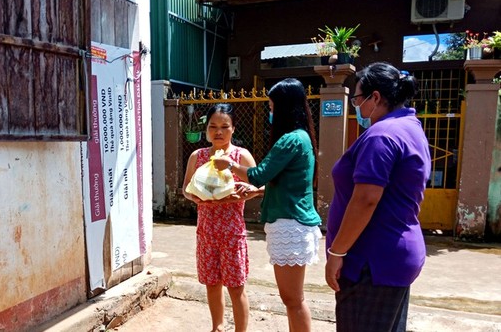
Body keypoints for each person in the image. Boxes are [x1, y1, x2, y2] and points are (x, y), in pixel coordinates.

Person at [324, 62, 431, 332]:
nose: (357, 107)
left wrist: (337, 252)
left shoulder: (381, 136)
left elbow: (366, 199)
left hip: (371, 262)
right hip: (392, 255)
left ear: (375, 97)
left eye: (358, 99)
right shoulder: (409, 127)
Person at [213, 78, 322, 332]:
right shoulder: (302, 138)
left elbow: (258, 173)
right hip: (293, 223)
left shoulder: (290, 140)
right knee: (293, 299)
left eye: (272, 108)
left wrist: (229, 164)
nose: (270, 113)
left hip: (290, 225)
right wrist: (258, 191)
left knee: (293, 300)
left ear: (284, 108)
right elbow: (284, 183)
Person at [182, 103, 257, 332]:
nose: (218, 132)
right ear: (206, 129)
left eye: (224, 126)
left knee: (236, 287)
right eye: (213, 126)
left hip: (232, 233)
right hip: (206, 231)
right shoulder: (198, 156)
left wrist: (236, 196)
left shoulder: (240, 156)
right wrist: (198, 198)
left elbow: (258, 186)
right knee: (212, 284)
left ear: (233, 128)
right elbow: (186, 188)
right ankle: (217, 327)